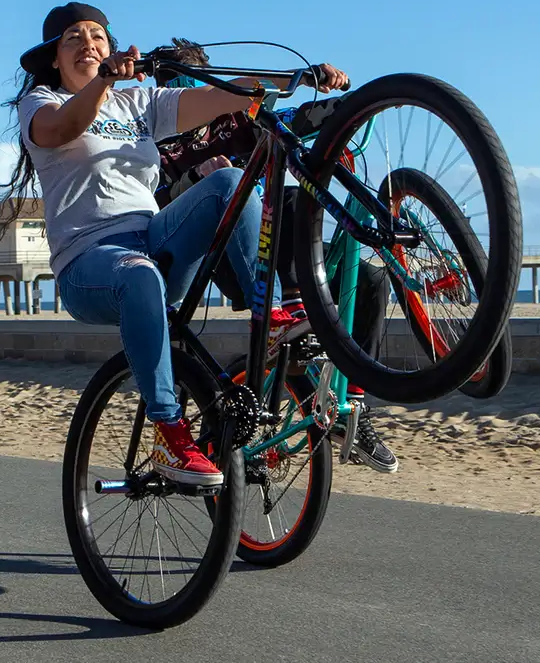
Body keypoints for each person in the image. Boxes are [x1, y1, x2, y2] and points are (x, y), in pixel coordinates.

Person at [0, 2, 349, 487]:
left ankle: (270, 319)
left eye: (97, 36)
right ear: (54, 57)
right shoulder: (41, 103)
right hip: (89, 262)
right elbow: (64, 127)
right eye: (73, 38)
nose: (87, 44)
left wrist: (296, 78)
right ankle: (169, 432)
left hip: (154, 241)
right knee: (138, 274)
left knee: (229, 181)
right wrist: (103, 82)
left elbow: (223, 97)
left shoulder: (136, 103)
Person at [152, 39, 398, 474]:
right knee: (287, 201)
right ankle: (290, 315)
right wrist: (194, 178)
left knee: (371, 280)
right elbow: (156, 203)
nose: (182, 92)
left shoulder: (233, 115)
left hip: (281, 241)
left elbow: (291, 120)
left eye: (191, 83)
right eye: (172, 84)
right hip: (228, 253)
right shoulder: (155, 141)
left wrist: (350, 103)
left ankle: (354, 407)